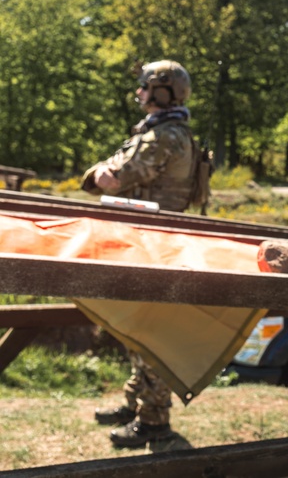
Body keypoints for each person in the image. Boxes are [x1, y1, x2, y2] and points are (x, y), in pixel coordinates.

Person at [82, 59, 197, 448]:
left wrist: (99, 170)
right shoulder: (167, 132)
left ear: (164, 92)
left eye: (146, 87)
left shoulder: (162, 136)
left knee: (149, 333)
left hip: (154, 248)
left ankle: (153, 421)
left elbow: (110, 179)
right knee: (137, 331)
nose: (139, 93)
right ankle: (136, 405)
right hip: (150, 244)